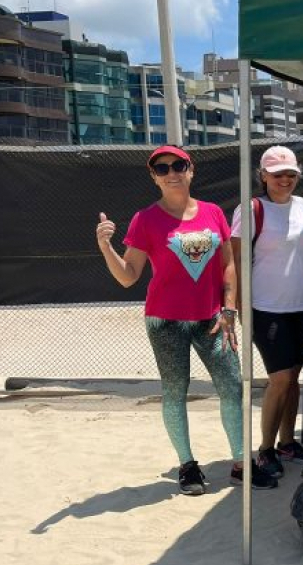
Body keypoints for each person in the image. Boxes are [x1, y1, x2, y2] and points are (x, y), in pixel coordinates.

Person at [96, 145, 276, 495]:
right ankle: (188, 466)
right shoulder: (145, 219)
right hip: (165, 321)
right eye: (162, 169)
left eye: (178, 165)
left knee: (232, 387)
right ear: (154, 177)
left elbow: (227, 263)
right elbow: (129, 275)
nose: (171, 172)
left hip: (212, 318)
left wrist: (229, 308)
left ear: (191, 169)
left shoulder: (212, 214)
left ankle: (242, 463)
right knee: (175, 392)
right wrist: (106, 247)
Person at [231, 146, 303, 479]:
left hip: (300, 305)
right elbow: (235, 260)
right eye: (277, 174)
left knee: (293, 379)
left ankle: (286, 442)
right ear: (263, 176)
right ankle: (264, 449)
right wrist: (238, 307)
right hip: (266, 309)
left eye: (290, 174)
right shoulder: (251, 210)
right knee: (279, 379)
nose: (284, 180)